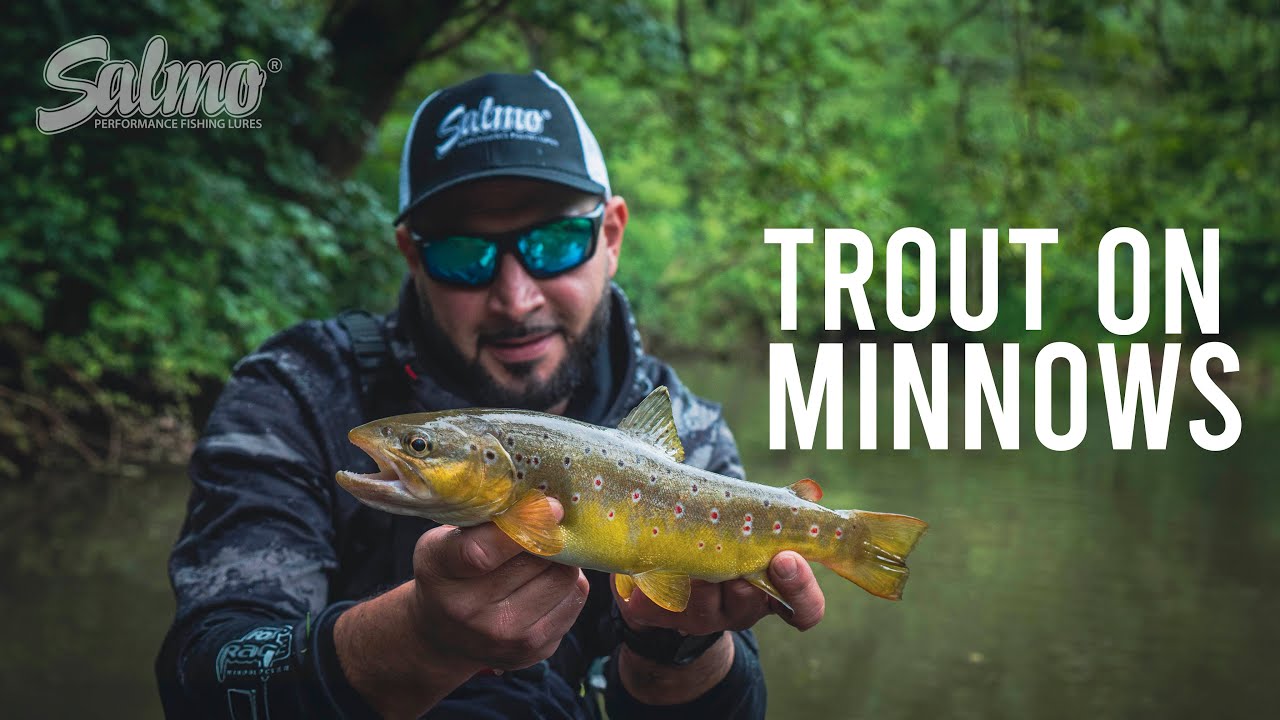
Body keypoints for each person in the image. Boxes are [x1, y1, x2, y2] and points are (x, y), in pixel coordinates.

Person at [156, 70, 826, 719]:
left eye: (556, 242)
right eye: (461, 254)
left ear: (611, 236)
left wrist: (673, 643)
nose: (515, 297)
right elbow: (204, 681)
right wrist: (417, 640)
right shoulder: (295, 394)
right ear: (413, 256)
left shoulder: (688, 428)